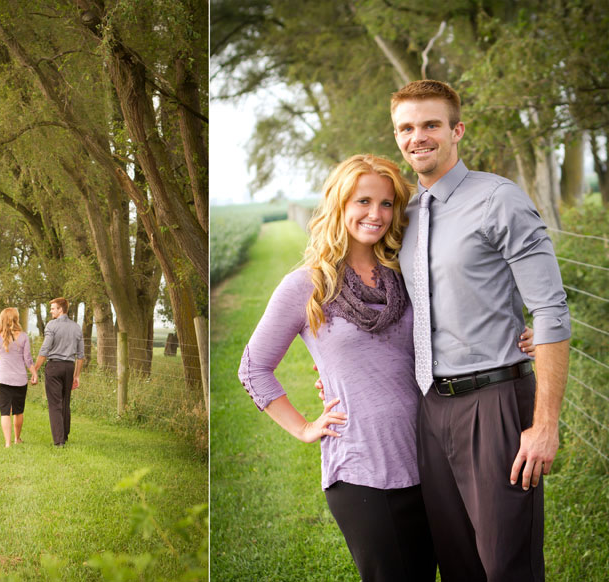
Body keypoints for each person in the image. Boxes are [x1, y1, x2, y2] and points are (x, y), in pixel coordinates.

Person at [391, 79, 570, 581]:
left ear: (457, 130)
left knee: (506, 565)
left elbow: (552, 311)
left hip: (494, 403)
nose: (417, 137)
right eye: (406, 127)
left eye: (430, 124)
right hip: (431, 407)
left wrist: (545, 425)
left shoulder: (498, 199)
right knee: (458, 563)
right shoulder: (402, 214)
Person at [240, 155, 434, 581]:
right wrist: (304, 428)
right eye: (363, 201)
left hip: (428, 459)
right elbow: (253, 368)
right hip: (361, 469)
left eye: (386, 204)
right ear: (340, 204)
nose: (375, 214)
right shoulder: (307, 285)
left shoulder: (403, 274)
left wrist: (516, 338)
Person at [33, 297, 85, 447]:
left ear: (61, 309)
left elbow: (45, 349)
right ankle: (65, 436)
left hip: (54, 367)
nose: (51, 311)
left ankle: (59, 441)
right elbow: (80, 355)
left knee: (55, 404)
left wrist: (35, 369)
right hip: (69, 367)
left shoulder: (52, 325)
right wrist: (77, 375)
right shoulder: (76, 327)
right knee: (65, 402)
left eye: (53, 308)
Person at [0, 307, 37, 447]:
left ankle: (7, 443)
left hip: (3, 379)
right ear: (16, 319)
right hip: (20, 380)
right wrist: (34, 373)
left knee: (5, 412)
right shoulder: (23, 336)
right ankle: (17, 438)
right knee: (18, 411)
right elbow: (28, 359)